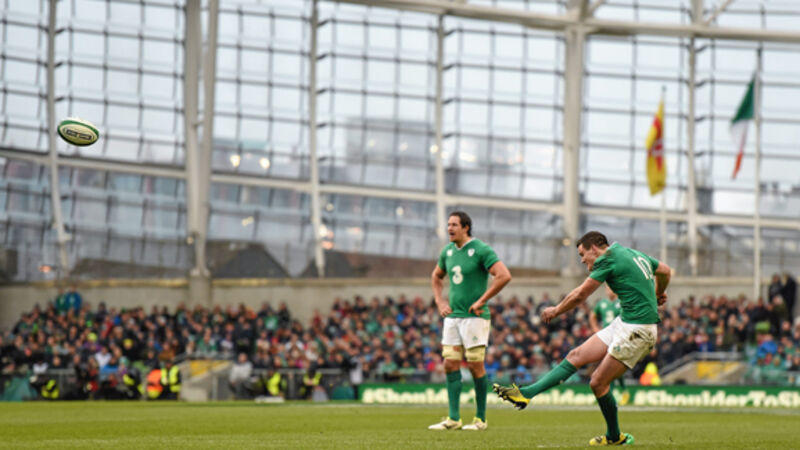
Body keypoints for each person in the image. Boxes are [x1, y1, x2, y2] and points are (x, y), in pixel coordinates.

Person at [493, 231, 671, 446]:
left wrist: (556, 310)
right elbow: (665, 270)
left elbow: (580, 294)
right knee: (575, 355)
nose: (582, 260)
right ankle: (526, 394)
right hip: (624, 322)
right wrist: (659, 293)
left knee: (598, 383)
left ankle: (614, 437)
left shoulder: (608, 259)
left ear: (594, 248)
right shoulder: (632, 253)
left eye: (582, 254)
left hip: (638, 330)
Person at [428, 211, 512, 431]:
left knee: (475, 366)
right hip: (453, 317)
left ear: (466, 227)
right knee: (449, 364)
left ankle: (480, 419)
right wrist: (439, 301)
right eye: (448, 224)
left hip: (475, 318)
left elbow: (504, 275)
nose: (449, 228)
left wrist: (482, 300)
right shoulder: (447, 251)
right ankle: (453, 418)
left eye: (454, 224)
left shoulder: (481, 249)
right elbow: (436, 276)